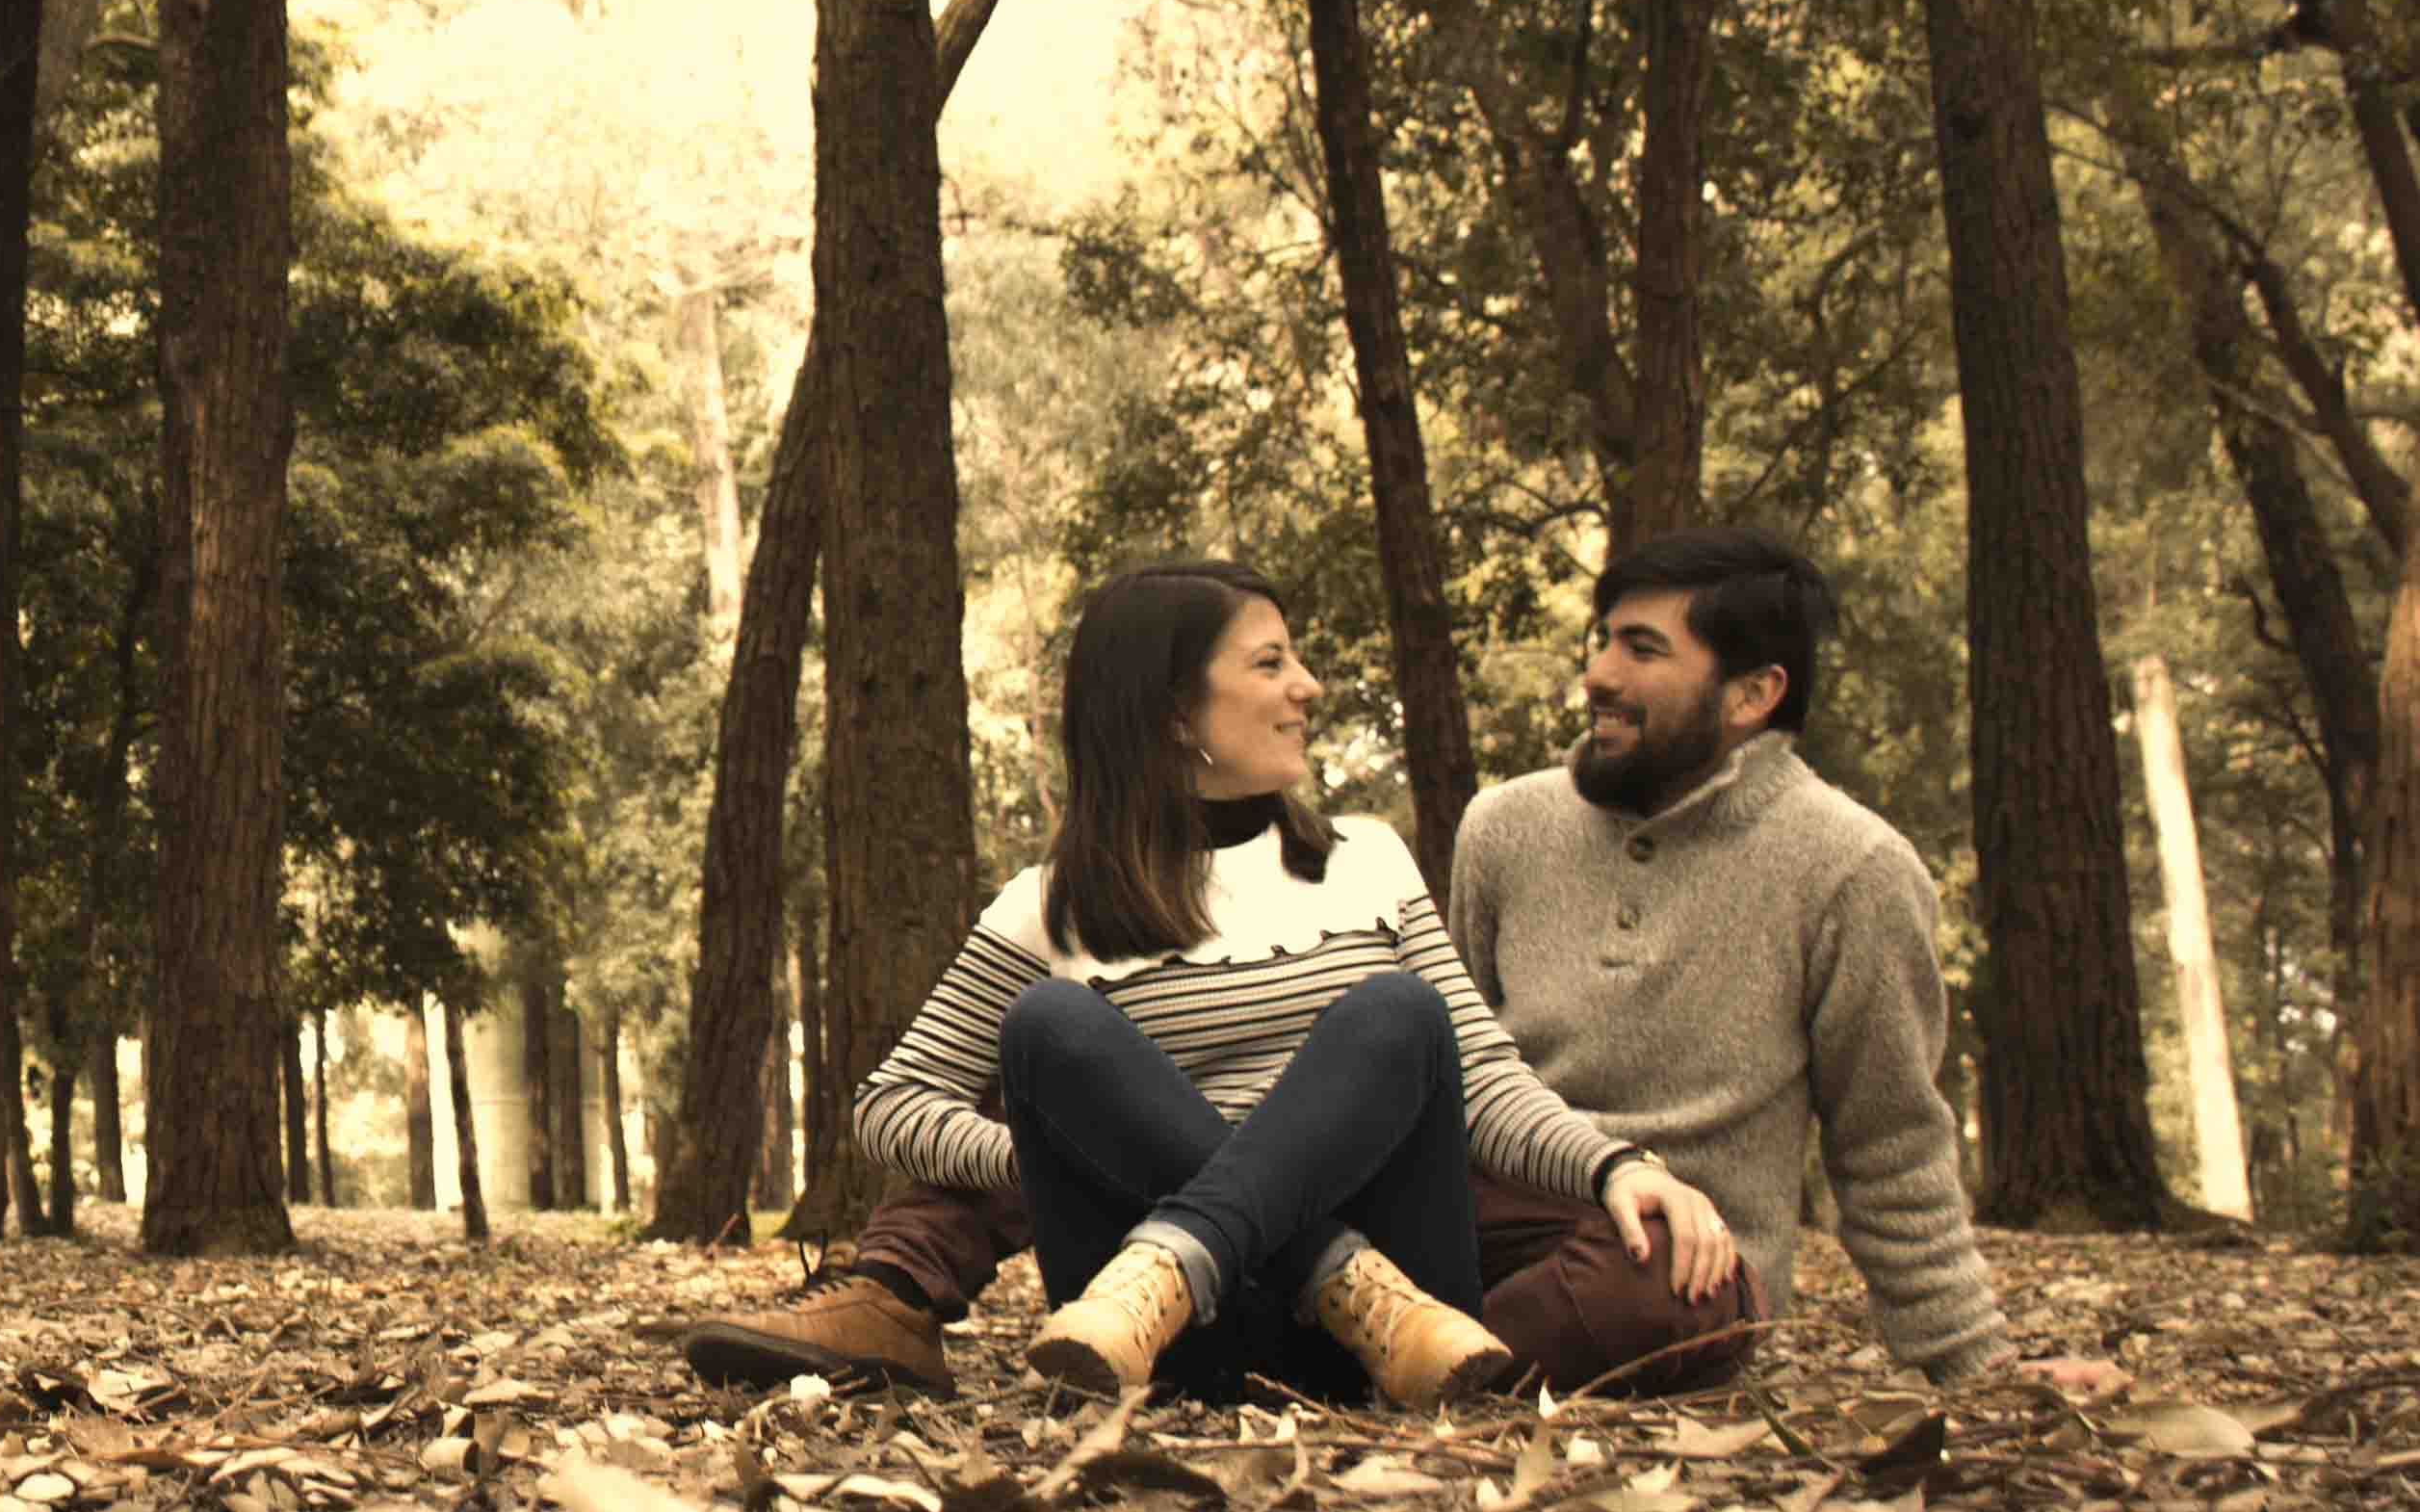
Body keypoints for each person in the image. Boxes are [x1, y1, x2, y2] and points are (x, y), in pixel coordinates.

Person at [692, 527, 2085, 1401]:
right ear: (1175, 715)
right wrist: (1105, 1168)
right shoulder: (1496, 827)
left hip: (1484, 1239)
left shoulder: (1376, 856)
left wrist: (1977, 1367)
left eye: (1636, 646)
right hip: (1243, 1265)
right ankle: (916, 1294)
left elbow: (1452, 1068)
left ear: (1750, 690)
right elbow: (901, 1102)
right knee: (1060, 1038)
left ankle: (1342, 1332)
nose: (1593, 669)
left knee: (1392, 1019)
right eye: (1272, 664)